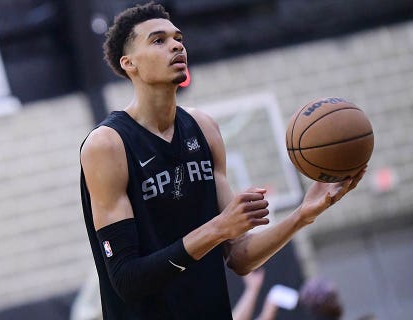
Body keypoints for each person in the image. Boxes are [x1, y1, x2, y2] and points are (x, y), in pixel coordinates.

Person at [79, 2, 365, 319]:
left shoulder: (204, 128)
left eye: (178, 38)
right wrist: (218, 229)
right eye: (158, 40)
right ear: (128, 63)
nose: (176, 45)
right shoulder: (107, 144)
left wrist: (303, 215)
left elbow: (240, 256)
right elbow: (127, 279)